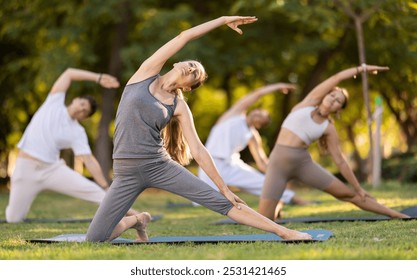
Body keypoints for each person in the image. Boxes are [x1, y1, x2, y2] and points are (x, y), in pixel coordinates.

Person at [86, 16, 312, 242]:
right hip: (126, 171)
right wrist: (223, 20)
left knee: (223, 203)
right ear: (176, 63)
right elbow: (185, 36)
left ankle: (285, 232)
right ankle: (138, 220)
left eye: (196, 74)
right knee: (95, 238)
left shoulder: (179, 106)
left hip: (159, 166)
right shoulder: (145, 73)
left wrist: (224, 188)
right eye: (193, 65)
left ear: (189, 87)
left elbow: (198, 150)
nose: (192, 68)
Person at [258, 64, 410, 220]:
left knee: (348, 194)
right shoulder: (307, 103)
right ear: (325, 95)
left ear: (339, 110)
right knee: (264, 218)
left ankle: (394, 214)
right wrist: (362, 69)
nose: (333, 100)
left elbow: (340, 161)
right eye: (332, 96)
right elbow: (336, 78)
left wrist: (358, 188)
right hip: (277, 164)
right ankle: (277, 205)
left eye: (338, 101)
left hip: (302, 164)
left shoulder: (329, 128)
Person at [5, 68, 140, 224]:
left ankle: (133, 214)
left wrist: (104, 186)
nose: (81, 109)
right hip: (25, 168)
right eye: (82, 104)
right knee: (13, 219)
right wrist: (98, 77)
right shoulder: (53, 102)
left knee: (96, 192)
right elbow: (69, 73)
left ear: (84, 117)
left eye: (85, 111)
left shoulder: (77, 131)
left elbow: (88, 159)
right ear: (75, 99)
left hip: (51, 170)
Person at [197, 83, 314, 218]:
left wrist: (278, 176)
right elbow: (256, 94)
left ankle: (293, 199)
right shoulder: (234, 115)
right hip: (210, 162)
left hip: (232, 165)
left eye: (261, 118)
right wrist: (277, 87)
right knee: (202, 201)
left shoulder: (253, 135)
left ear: (259, 125)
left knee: (264, 183)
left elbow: (262, 162)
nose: (257, 115)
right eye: (258, 112)